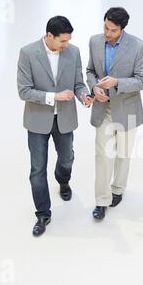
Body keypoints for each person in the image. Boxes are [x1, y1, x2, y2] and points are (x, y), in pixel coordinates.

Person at [17, 16, 93, 236]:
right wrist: (54, 96)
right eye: (62, 41)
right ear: (49, 36)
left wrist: (83, 95)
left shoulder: (73, 51)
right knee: (37, 169)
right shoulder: (28, 53)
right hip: (37, 120)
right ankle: (43, 213)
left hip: (65, 118)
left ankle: (63, 180)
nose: (65, 45)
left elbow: (78, 82)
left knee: (67, 157)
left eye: (68, 41)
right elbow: (24, 91)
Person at [86, 7, 143, 220]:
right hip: (103, 108)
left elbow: (141, 80)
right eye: (105, 27)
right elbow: (90, 71)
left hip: (127, 109)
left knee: (123, 153)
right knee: (103, 155)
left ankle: (118, 189)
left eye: (112, 30)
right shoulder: (95, 41)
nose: (107, 32)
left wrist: (116, 83)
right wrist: (94, 88)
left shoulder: (138, 46)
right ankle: (102, 201)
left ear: (122, 29)